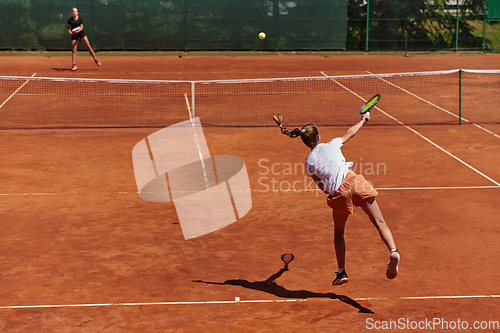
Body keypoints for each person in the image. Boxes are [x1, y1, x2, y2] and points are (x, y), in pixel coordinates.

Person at [273, 112, 400, 286]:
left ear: (305, 141)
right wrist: (363, 120)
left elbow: (322, 187)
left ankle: (342, 273)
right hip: (356, 182)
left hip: (338, 194)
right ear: (319, 137)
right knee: (380, 222)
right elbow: (350, 132)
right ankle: (393, 250)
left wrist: (334, 191)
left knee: (339, 232)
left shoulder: (308, 162)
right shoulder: (332, 144)